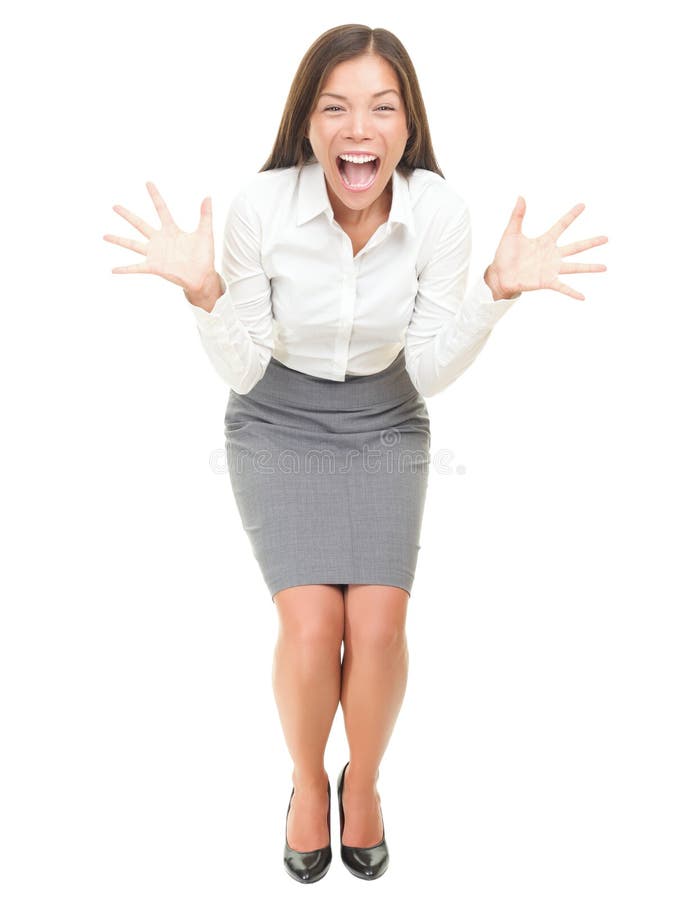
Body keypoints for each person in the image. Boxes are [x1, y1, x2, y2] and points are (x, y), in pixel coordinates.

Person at [103, 23, 608, 884]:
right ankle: (306, 786)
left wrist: (494, 293)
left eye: (382, 108)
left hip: (385, 418)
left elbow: (428, 368)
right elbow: (242, 363)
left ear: (408, 128)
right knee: (312, 628)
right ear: (307, 125)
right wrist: (204, 292)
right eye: (334, 107)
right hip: (275, 417)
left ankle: (362, 785)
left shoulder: (438, 213)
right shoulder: (262, 207)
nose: (358, 128)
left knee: (376, 629)